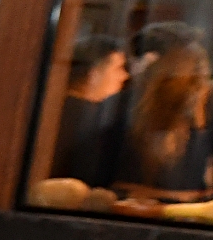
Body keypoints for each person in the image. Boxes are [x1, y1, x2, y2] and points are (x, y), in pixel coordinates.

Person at [119, 38, 212, 196]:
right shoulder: (129, 125)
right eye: (199, 81)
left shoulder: (200, 132)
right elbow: (116, 187)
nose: (205, 88)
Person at [48, 34, 130, 188]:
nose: (124, 76)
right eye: (118, 68)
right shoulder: (87, 118)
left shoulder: (56, 108)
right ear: (94, 74)